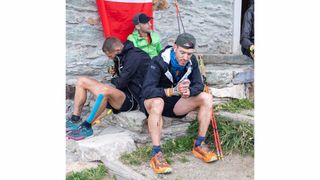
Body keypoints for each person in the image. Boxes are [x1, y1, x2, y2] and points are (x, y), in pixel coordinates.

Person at [141, 33, 217, 174]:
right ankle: (156, 154)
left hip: (175, 104)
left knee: (206, 97)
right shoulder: (158, 61)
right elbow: (147, 90)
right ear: (174, 47)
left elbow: (199, 85)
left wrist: (189, 91)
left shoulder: (191, 61)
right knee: (158, 102)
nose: (185, 57)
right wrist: (171, 91)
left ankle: (199, 144)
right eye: (182, 52)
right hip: (153, 101)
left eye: (189, 54)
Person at [66, 37, 150, 140]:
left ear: (117, 50)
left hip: (132, 99)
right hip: (121, 93)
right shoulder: (121, 55)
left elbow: (121, 83)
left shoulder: (135, 57)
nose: (110, 58)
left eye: (110, 56)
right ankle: (75, 119)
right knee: (81, 81)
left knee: (105, 90)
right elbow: (122, 78)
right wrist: (115, 74)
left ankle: (87, 127)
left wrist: (114, 79)